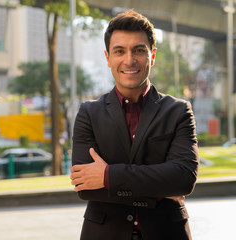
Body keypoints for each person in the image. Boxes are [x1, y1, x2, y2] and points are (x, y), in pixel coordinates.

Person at [70, 9, 199, 240]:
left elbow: (183, 179)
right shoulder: (89, 113)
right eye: (120, 51)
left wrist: (108, 175)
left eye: (139, 50)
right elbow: (85, 185)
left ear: (152, 55)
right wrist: (159, 190)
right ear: (108, 57)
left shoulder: (178, 111)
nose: (129, 60)